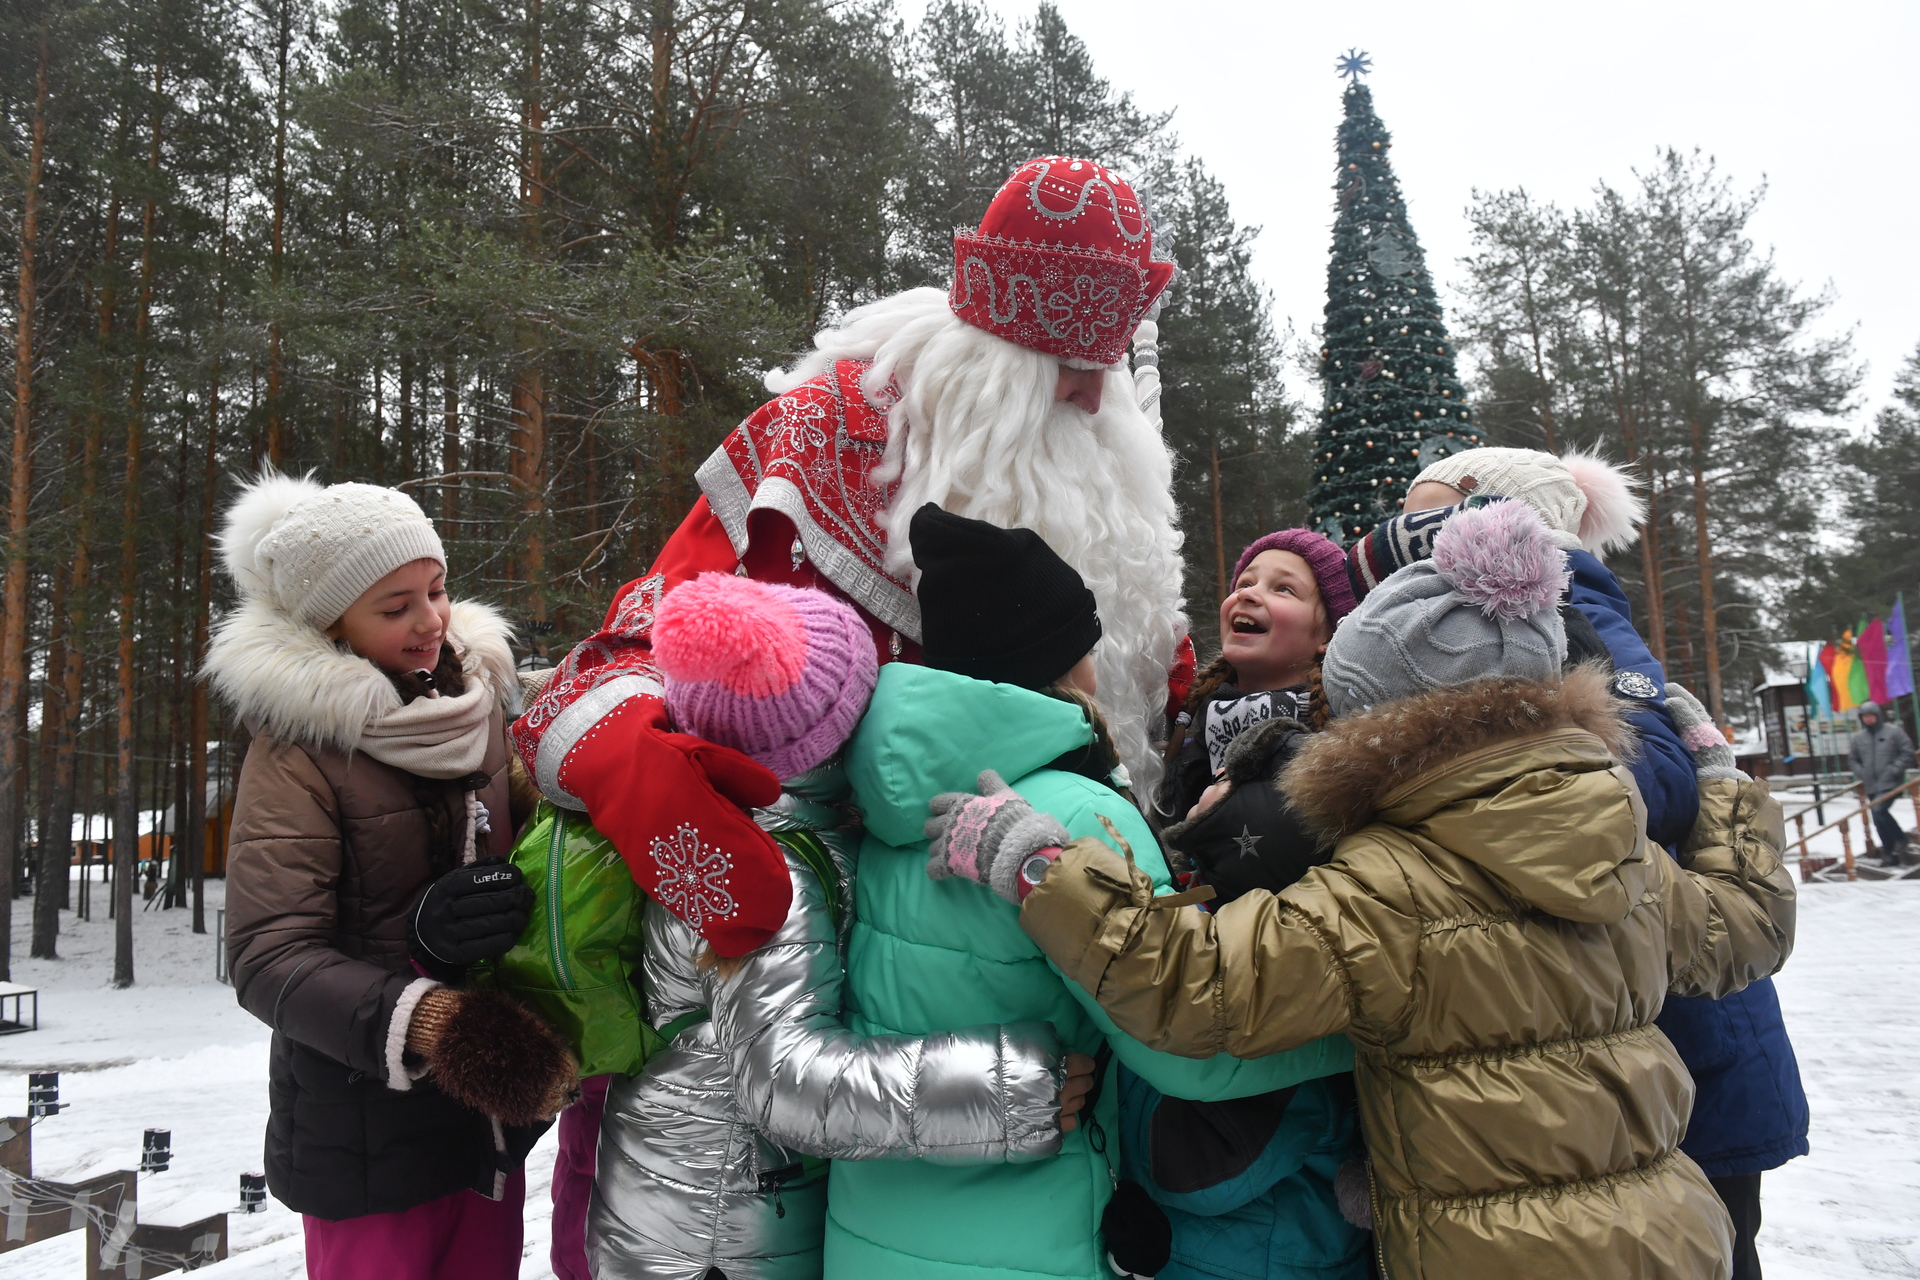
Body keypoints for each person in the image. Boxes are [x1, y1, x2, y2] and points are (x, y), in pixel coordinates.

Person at [936, 500, 1797, 1280]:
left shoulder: (1393, 888)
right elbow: (1749, 927)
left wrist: (1040, 866)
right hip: (1674, 1238)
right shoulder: (1627, 853)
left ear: (1377, 720)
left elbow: (1197, 992)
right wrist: (1720, 784)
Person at [834, 505, 1351, 1280]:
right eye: (1087, 643)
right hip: (1029, 1241)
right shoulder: (1078, 815)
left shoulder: (877, 809)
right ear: (1057, 655)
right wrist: (1354, 1039)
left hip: (870, 1233)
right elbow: (1182, 1044)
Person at [1369, 446, 1810, 1276]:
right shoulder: (1529, 615)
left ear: (1493, 518)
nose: (1409, 534)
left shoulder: (1573, 606)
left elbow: (1655, 782)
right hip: (1640, 1043)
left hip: (1687, 1045)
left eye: (1428, 514)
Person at [588, 571, 1095, 1280]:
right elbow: (785, 1082)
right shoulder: (769, 873)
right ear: (830, 729)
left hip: (695, 1204)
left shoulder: (740, 818)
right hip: (718, 1239)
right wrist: (1006, 1084)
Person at [212, 474, 577, 1280]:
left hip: (484, 1119)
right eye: (394, 606)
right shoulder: (299, 748)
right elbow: (268, 956)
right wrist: (435, 1014)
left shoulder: (474, 707)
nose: (430, 621)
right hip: (365, 1132)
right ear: (332, 621)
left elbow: (531, 827)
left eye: (437, 590)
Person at [1850, 700, 1916, 863]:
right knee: (1877, 818)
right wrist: (1861, 772)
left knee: (1879, 811)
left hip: (1891, 782)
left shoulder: (1893, 732)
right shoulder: (1859, 738)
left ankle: (1900, 839)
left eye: (1871, 716)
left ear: (1878, 716)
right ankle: (1889, 852)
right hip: (1871, 784)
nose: (1868, 719)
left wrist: (1895, 769)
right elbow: (1853, 759)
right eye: (1865, 716)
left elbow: (1907, 752)